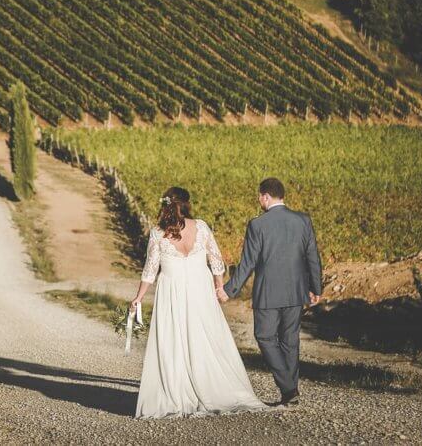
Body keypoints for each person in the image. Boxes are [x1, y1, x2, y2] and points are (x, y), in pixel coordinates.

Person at [130, 186, 265, 418]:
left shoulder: (157, 233)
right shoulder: (201, 227)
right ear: (187, 204)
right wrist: (218, 286)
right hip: (200, 289)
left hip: (171, 291)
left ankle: (178, 390)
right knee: (206, 336)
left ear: (165, 206)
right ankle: (214, 386)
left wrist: (138, 298)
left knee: (175, 340)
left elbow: (150, 271)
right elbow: (216, 260)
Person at [221, 177, 322, 407]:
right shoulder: (303, 221)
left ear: (266, 196)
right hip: (296, 292)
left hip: (267, 293)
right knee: (290, 340)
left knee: (265, 337)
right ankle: (290, 392)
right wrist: (316, 288)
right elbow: (313, 257)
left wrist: (230, 289)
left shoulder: (257, 225)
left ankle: (288, 388)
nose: (259, 200)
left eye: (259, 196)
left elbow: (247, 263)